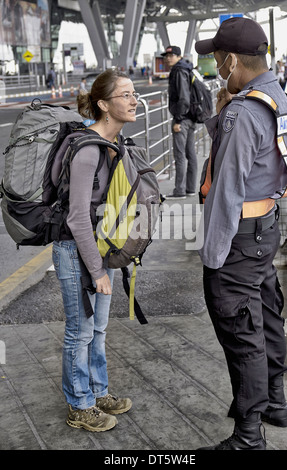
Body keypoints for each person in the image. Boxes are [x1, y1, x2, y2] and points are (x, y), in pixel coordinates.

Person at [195, 17, 287, 450]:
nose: (217, 67)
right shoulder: (278, 98)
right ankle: (276, 401)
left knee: (241, 328)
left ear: (231, 59)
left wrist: (212, 258)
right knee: (267, 314)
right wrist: (223, 115)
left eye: (218, 59)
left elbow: (227, 189)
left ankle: (249, 435)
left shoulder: (243, 110)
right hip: (266, 225)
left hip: (238, 234)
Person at [52, 69, 139, 432]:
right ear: (104, 105)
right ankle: (79, 406)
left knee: (98, 329)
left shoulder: (113, 143)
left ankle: (97, 391)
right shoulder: (88, 151)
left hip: (98, 248)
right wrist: (99, 270)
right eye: (125, 95)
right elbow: (76, 218)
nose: (134, 101)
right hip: (76, 251)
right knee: (80, 331)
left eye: (135, 94)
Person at [161, 45, 197, 199]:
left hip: (182, 119)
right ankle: (190, 188)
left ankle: (180, 190)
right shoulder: (186, 68)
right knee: (190, 153)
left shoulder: (179, 71)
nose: (168, 58)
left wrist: (178, 119)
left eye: (171, 56)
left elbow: (183, 98)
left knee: (180, 155)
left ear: (178, 56)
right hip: (192, 117)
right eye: (166, 56)